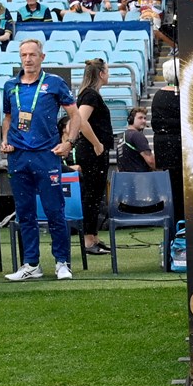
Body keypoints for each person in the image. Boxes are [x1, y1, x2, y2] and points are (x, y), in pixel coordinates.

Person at [3, 39, 82, 281]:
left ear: (42, 57)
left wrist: (68, 143)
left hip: (47, 156)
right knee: (24, 213)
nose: (28, 59)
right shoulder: (10, 86)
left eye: (32, 55)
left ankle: (62, 262)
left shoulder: (55, 83)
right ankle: (31, 264)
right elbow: (8, 117)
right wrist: (6, 139)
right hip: (18, 157)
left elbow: (75, 114)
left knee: (54, 211)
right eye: (24, 55)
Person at [72, 59, 113, 255]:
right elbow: (81, 120)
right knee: (91, 195)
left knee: (96, 194)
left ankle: (93, 236)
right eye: (107, 71)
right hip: (91, 151)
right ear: (101, 74)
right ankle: (89, 240)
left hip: (96, 151)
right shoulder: (90, 95)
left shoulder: (91, 94)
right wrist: (97, 143)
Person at [151, 60, 184, 223]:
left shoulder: (158, 96)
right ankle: (183, 226)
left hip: (165, 149)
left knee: (172, 190)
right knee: (182, 191)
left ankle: (173, 228)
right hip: (180, 147)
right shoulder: (183, 95)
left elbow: (157, 124)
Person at [119, 106, 156, 172]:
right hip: (139, 179)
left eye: (145, 118)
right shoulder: (136, 135)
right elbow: (150, 161)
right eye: (140, 118)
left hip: (125, 179)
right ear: (131, 119)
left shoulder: (122, 137)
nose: (144, 121)